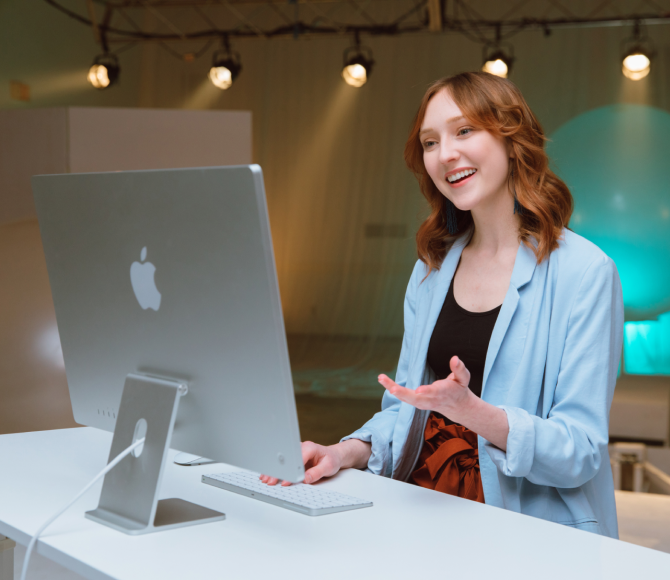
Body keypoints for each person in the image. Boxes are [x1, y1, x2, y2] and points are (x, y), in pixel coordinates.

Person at [261, 71, 624, 538]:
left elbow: (581, 450)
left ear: (512, 139)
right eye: (430, 142)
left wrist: (472, 411)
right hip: (427, 499)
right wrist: (342, 452)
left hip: (526, 527)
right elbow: (406, 412)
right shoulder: (430, 270)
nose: (445, 154)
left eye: (464, 131)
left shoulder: (586, 272)